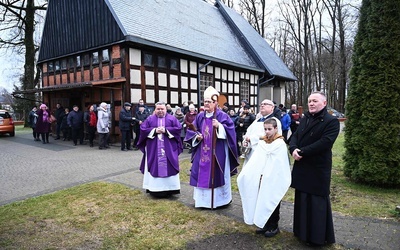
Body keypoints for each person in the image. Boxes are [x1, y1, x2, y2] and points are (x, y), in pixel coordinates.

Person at [289, 91, 340, 246]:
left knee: (316, 203)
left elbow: (325, 142)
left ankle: (317, 238)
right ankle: (301, 233)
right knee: (302, 199)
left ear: (324, 103)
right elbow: (295, 137)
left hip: (318, 168)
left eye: (315, 101)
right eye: (309, 101)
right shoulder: (305, 118)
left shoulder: (331, 121)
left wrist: (302, 152)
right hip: (303, 166)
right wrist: (293, 149)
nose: (311, 103)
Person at [184, 86, 239, 209]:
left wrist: (219, 126)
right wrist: (196, 136)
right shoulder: (199, 116)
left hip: (217, 151)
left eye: (209, 101)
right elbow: (192, 130)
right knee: (200, 172)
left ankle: (220, 201)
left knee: (218, 173)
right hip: (202, 151)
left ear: (215, 103)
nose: (207, 104)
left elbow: (231, 131)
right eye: (205, 101)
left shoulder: (222, 116)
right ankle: (203, 201)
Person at [237, 118, 291, 237]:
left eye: (269, 129)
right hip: (261, 176)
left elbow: (280, 164)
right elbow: (257, 160)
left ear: (276, 129)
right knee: (261, 200)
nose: (267, 132)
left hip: (273, 178)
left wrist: (269, 175)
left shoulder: (280, 144)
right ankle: (265, 224)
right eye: (265, 129)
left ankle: (274, 226)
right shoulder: (263, 142)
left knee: (272, 200)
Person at [136, 101, 183, 197]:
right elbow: (143, 129)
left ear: (166, 109)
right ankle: (155, 189)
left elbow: (178, 128)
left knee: (170, 165)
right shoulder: (150, 119)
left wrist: (166, 130)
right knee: (154, 165)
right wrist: (154, 130)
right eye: (158, 109)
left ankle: (171, 189)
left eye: (162, 109)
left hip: (168, 149)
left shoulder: (172, 118)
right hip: (154, 149)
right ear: (155, 109)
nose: (160, 111)